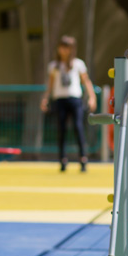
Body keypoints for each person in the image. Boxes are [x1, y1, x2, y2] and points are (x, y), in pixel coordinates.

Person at [41, 35, 97, 172]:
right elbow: (51, 84)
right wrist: (45, 98)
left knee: (78, 128)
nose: (64, 50)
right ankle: (62, 159)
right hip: (60, 100)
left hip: (75, 99)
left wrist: (92, 97)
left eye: (67, 47)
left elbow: (86, 81)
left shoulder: (78, 64)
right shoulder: (54, 66)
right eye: (62, 47)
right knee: (61, 130)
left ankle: (83, 158)